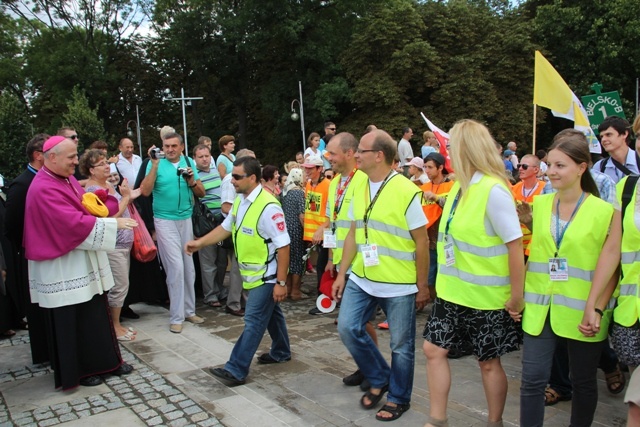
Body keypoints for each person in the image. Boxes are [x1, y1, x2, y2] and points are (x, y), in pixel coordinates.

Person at [422, 120, 524, 427]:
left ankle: (495, 421)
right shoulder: (459, 187)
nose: (446, 151)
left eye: (451, 146)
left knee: (488, 363)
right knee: (432, 349)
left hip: (485, 298)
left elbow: (515, 246)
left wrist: (517, 297)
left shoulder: (494, 190)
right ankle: (437, 419)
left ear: (467, 149)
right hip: (452, 292)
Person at [519, 130, 621, 427]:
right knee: (532, 381)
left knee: (584, 383)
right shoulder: (538, 206)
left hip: (583, 312)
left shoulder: (605, 212)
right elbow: (537, 255)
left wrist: (596, 307)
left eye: (560, 165)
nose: (551, 171)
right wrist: (518, 296)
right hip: (540, 309)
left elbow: (611, 264)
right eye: (549, 164)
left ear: (582, 167)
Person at [24, 135, 136, 389]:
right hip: (62, 266)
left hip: (80, 260)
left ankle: (105, 362)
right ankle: (82, 370)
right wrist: (112, 223)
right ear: (51, 158)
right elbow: (70, 224)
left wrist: (103, 202)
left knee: (94, 314)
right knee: (73, 320)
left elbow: (85, 208)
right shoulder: (44, 186)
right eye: (72, 157)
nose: (77, 161)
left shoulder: (65, 180)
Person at [332, 129, 429, 422]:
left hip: (398, 283)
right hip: (362, 277)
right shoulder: (358, 186)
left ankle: (399, 398)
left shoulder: (405, 190)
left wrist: (422, 286)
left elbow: (422, 241)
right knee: (348, 327)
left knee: (401, 346)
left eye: (361, 150)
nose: (356, 154)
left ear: (379, 156)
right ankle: (379, 375)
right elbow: (352, 233)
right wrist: (341, 274)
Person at [185, 156, 291, 386]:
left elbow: (284, 245)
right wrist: (199, 243)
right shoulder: (242, 201)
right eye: (231, 175)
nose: (230, 180)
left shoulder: (269, 206)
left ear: (252, 178)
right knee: (271, 314)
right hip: (254, 275)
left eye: (236, 176)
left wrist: (281, 283)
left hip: (267, 276)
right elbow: (225, 228)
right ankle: (281, 351)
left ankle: (236, 369)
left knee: (253, 320)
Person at [323, 132, 377, 391]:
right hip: (343, 261)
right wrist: (331, 259)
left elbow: (358, 227)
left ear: (348, 153)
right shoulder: (334, 183)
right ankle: (366, 366)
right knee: (357, 323)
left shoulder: (364, 181)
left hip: (360, 261)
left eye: (332, 153)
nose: (328, 157)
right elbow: (333, 223)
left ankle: (373, 369)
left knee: (359, 321)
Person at [140, 132, 206, 333]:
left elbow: (201, 193)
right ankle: (176, 316)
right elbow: (145, 191)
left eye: (173, 146)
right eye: (166, 146)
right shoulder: (155, 164)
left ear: (182, 146)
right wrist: (155, 166)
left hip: (185, 218)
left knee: (188, 266)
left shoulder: (187, 161)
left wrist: (192, 180)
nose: (169, 149)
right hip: (164, 219)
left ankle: (189, 310)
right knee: (175, 267)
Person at [82, 149, 140, 341]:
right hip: (112, 244)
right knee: (119, 286)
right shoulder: (91, 191)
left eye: (107, 161)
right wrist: (124, 198)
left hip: (124, 243)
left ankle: (116, 324)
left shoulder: (108, 184)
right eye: (101, 164)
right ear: (91, 170)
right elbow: (106, 219)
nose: (107, 165)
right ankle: (114, 326)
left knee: (122, 285)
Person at [4, 134, 49, 362]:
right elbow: (11, 224)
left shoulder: (51, 179)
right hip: (30, 253)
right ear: (38, 155)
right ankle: (44, 352)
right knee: (37, 306)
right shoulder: (22, 184)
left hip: (48, 253)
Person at [193, 144, 227, 308]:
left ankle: (220, 289)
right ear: (195, 159)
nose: (205, 159)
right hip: (206, 224)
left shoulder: (216, 173)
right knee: (208, 262)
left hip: (220, 222)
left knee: (221, 261)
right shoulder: (194, 177)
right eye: (201, 157)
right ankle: (210, 295)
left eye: (206, 156)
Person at [419, 152, 454, 302]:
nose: (426, 170)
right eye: (425, 167)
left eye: (430, 167)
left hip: (445, 239)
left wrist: (437, 199)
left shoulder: (451, 186)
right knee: (429, 276)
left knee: (444, 275)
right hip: (428, 239)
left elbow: (454, 208)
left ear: (440, 168)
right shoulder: (423, 187)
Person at [301, 157, 331, 315]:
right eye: (306, 168)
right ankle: (327, 299)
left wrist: (321, 230)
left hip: (326, 235)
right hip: (315, 235)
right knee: (323, 266)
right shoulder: (308, 185)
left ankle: (325, 300)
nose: (307, 171)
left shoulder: (328, 186)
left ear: (319, 169)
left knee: (323, 266)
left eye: (310, 168)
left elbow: (332, 213)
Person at [512, 154, 545, 254]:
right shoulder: (515, 188)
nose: (520, 169)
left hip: (534, 245)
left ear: (536, 170)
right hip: (517, 243)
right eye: (519, 166)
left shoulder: (544, 189)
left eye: (524, 166)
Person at [281, 168, 307, 300]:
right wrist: (307, 232)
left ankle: (289, 288)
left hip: (285, 230)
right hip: (296, 230)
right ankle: (296, 292)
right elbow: (302, 216)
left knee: (288, 260)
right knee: (297, 260)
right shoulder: (300, 193)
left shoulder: (284, 192)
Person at [593, 116, 638, 183]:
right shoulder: (599, 167)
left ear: (624, 134)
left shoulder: (637, 161)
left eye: (608, 135)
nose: (603, 140)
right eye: (601, 136)